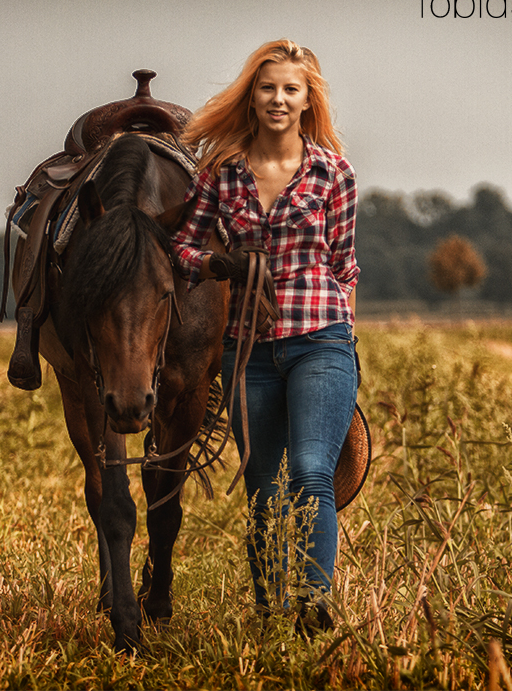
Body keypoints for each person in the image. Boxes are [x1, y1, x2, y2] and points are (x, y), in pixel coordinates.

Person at [171, 39, 359, 632]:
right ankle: (268, 608)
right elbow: (181, 247)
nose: (279, 99)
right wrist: (216, 267)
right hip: (247, 349)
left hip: (321, 341)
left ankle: (312, 607)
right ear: (252, 97)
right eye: (268, 87)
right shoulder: (222, 174)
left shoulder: (335, 174)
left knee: (309, 471)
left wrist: (348, 343)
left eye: (291, 89)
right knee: (261, 486)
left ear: (308, 101)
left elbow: (346, 266)